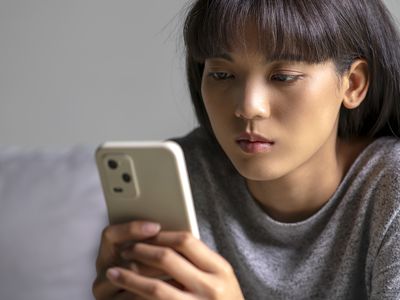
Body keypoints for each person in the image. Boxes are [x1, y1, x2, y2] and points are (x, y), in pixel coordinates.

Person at [92, 0, 400, 299]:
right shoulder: (184, 175)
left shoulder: (391, 187)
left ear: (353, 84)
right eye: (222, 75)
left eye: (283, 77)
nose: (248, 107)